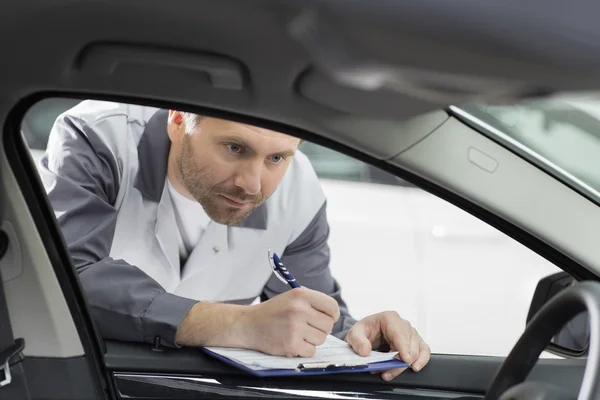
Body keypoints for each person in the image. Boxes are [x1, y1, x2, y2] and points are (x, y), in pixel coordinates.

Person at [39, 100, 431, 380]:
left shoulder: (299, 190)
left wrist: (357, 338)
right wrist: (238, 325)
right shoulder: (99, 138)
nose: (253, 184)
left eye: (277, 158)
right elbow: (63, 282)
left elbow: (306, 314)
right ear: (177, 119)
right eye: (234, 148)